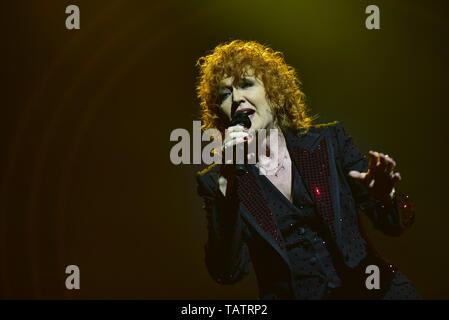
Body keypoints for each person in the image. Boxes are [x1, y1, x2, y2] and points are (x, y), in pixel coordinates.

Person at [195, 40, 419, 299]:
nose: (236, 99)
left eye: (246, 84)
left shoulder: (329, 142)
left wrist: (384, 197)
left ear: (273, 91)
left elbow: (394, 225)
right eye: (224, 94)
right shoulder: (218, 181)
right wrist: (228, 182)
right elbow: (227, 272)